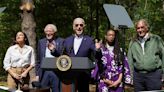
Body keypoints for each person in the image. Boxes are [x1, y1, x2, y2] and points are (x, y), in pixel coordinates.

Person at [127, 19, 164, 92]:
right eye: (138, 28)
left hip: (154, 75)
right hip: (138, 77)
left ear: (147, 28)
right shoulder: (133, 42)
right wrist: (131, 76)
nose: (140, 30)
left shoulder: (156, 39)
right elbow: (130, 60)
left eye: (142, 27)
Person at [63, 17, 95, 92]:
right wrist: (53, 50)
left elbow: (95, 55)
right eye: (76, 25)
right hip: (69, 73)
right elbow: (61, 54)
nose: (79, 27)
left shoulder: (89, 40)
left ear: (84, 26)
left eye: (81, 25)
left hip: (83, 74)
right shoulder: (67, 40)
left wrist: (98, 49)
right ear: (73, 27)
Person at [36, 24, 64, 92]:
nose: (48, 33)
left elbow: (62, 56)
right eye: (46, 31)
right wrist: (37, 74)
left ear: (55, 32)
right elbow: (39, 60)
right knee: (43, 90)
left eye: (50, 31)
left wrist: (53, 50)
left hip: (56, 71)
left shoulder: (61, 41)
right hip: (44, 71)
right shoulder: (41, 42)